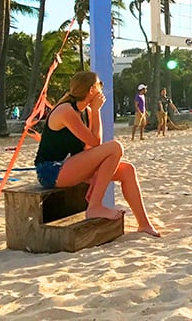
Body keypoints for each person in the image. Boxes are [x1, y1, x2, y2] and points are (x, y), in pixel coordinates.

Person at [34, 71, 160, 236]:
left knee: (127, 170)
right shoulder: (66, 110)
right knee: (115, 147)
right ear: (92, 89)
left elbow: (92, 146)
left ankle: (144, 224)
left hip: (69, 166)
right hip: (50, 171)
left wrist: (94, 111)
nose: (102, 90)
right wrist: (96, 110)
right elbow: (95, 143)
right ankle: (94, 207)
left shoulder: (83, 110)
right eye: (99, 85)